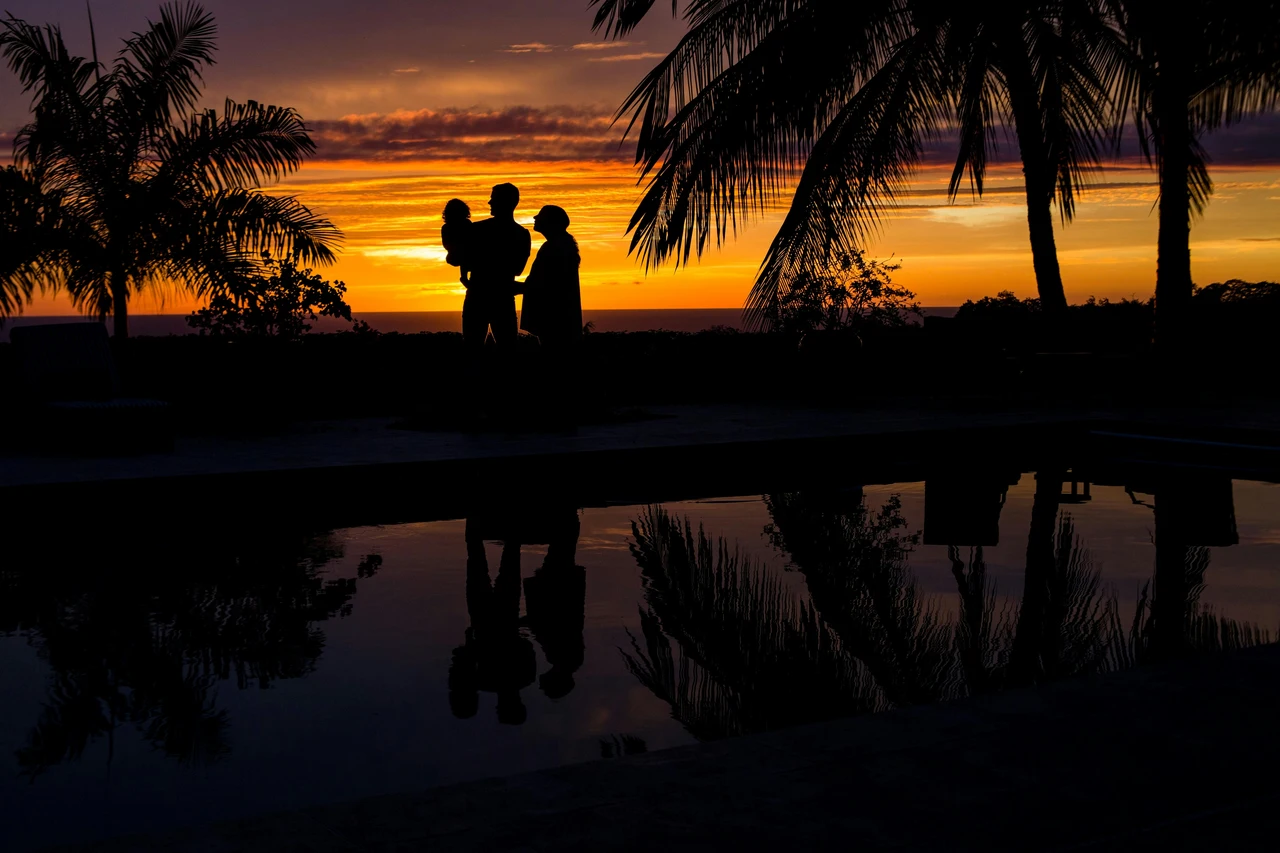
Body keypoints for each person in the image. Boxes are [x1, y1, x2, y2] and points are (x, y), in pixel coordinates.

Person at [519, 204, 582, 422]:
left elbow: (543, 283)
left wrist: (513, 287)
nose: (535, 218)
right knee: (558, 365)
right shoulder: (560, 245)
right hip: (558, 317)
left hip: (555, 318)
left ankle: (557, 413)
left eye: (541, 216)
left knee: (555, 366)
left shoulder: (554, 248)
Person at [463, 183, 531, 350]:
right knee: (503, 350)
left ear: (507, 202)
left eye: (493, 199)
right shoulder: (521, 234)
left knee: (490, 350)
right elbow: (516, 269)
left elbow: (464, 258)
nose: (489, 202)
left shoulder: (477, 229)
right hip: (497, 297)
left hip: (487, 297)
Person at [440, 198, 472, 286]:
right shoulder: (446, 227)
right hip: (455, 253)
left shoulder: (466, 223)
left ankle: (464, 277)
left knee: (465, 254)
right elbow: (446, 244)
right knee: (463, 254)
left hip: (466, 251)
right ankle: (464, 277)